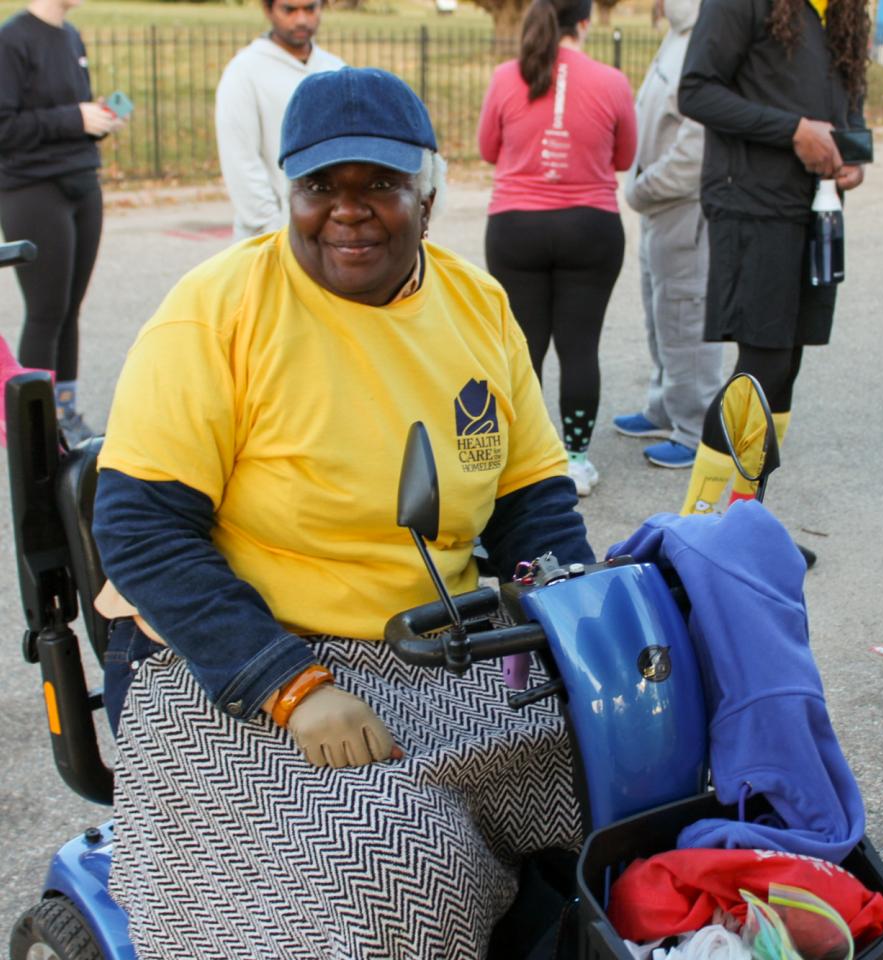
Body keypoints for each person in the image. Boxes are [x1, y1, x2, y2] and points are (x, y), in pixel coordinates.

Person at [92, 67, 594, 960]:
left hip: (436, 640)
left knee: (619, 774)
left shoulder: (480, 311)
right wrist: (288, 685)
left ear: (428, 197)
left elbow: (533, 506)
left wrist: (574, 613)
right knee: (399, 865)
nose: (348, 210)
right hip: (230, 656)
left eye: (381, 186)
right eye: (321, 185)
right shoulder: (216, 313)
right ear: (289, 191)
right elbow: (139, 529)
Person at [675, 0, 869, 520]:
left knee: (785, 368)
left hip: (815, 208)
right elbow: (695, 90)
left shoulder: (845, 10)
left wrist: (852, 147)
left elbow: (849, 99)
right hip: (751, 203)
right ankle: (694, 531)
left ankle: (743, 524)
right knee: (758, 369)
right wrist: (793, 131)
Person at [477, 0, 637, 498]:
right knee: (580, 346)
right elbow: (625, 157)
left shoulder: (507, 76)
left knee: (522, 350)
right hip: (590, 227)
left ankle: (524, 462)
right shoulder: (611, 81)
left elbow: (487, 148)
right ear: (585, 22)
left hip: (515, 227)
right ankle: (575, 460)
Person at [0, 0, 125, 445]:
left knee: (70, 310)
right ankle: (36, 431)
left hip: (81, 180)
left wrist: (95, 119)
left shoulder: (70, 35)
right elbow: (5, 126)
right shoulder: (11, 39)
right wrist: (74, 117)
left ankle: (64, 414)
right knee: (46, 312)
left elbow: (62, 111)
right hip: (32, 189)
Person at [612, 0, 725, 470]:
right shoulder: (677, 35)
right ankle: (664, 406)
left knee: (685, 315)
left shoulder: (707, 38)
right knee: (660, 311)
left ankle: (696, 427)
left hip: (683, 206)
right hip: (657, 205)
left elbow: (695, 149)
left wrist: (643, 187)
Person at [215, 0, 344, 239]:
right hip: (269, 235)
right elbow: (240, 160)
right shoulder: (244, 71)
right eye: (289, 10)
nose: (302, 19)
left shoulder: (336, 69)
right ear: (268, 10)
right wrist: (272, 228)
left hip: (332, 234)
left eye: (310, 8)